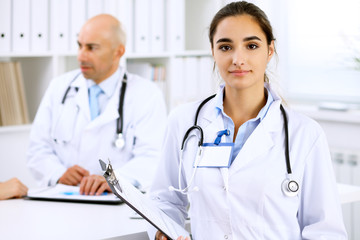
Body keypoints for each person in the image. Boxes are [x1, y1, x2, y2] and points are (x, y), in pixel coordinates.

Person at [149, 1, 347, 239]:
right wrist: (163, 231)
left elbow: (325, 230)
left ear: (270, 50)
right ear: (212, 51)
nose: (237, 59)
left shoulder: (305, 133)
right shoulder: (183, 122)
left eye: (251, 45)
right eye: (225, 47)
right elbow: (164, 200)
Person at [27, 14, 167, 195]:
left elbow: (152, 157)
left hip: (118, 203)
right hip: (64, 199)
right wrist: (59, 173)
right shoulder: (59, 87)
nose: (81, 56)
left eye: (91, 48)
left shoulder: (147, 94)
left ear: (118, 52)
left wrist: (114, 179)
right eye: (80, 46)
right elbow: (38, 148)